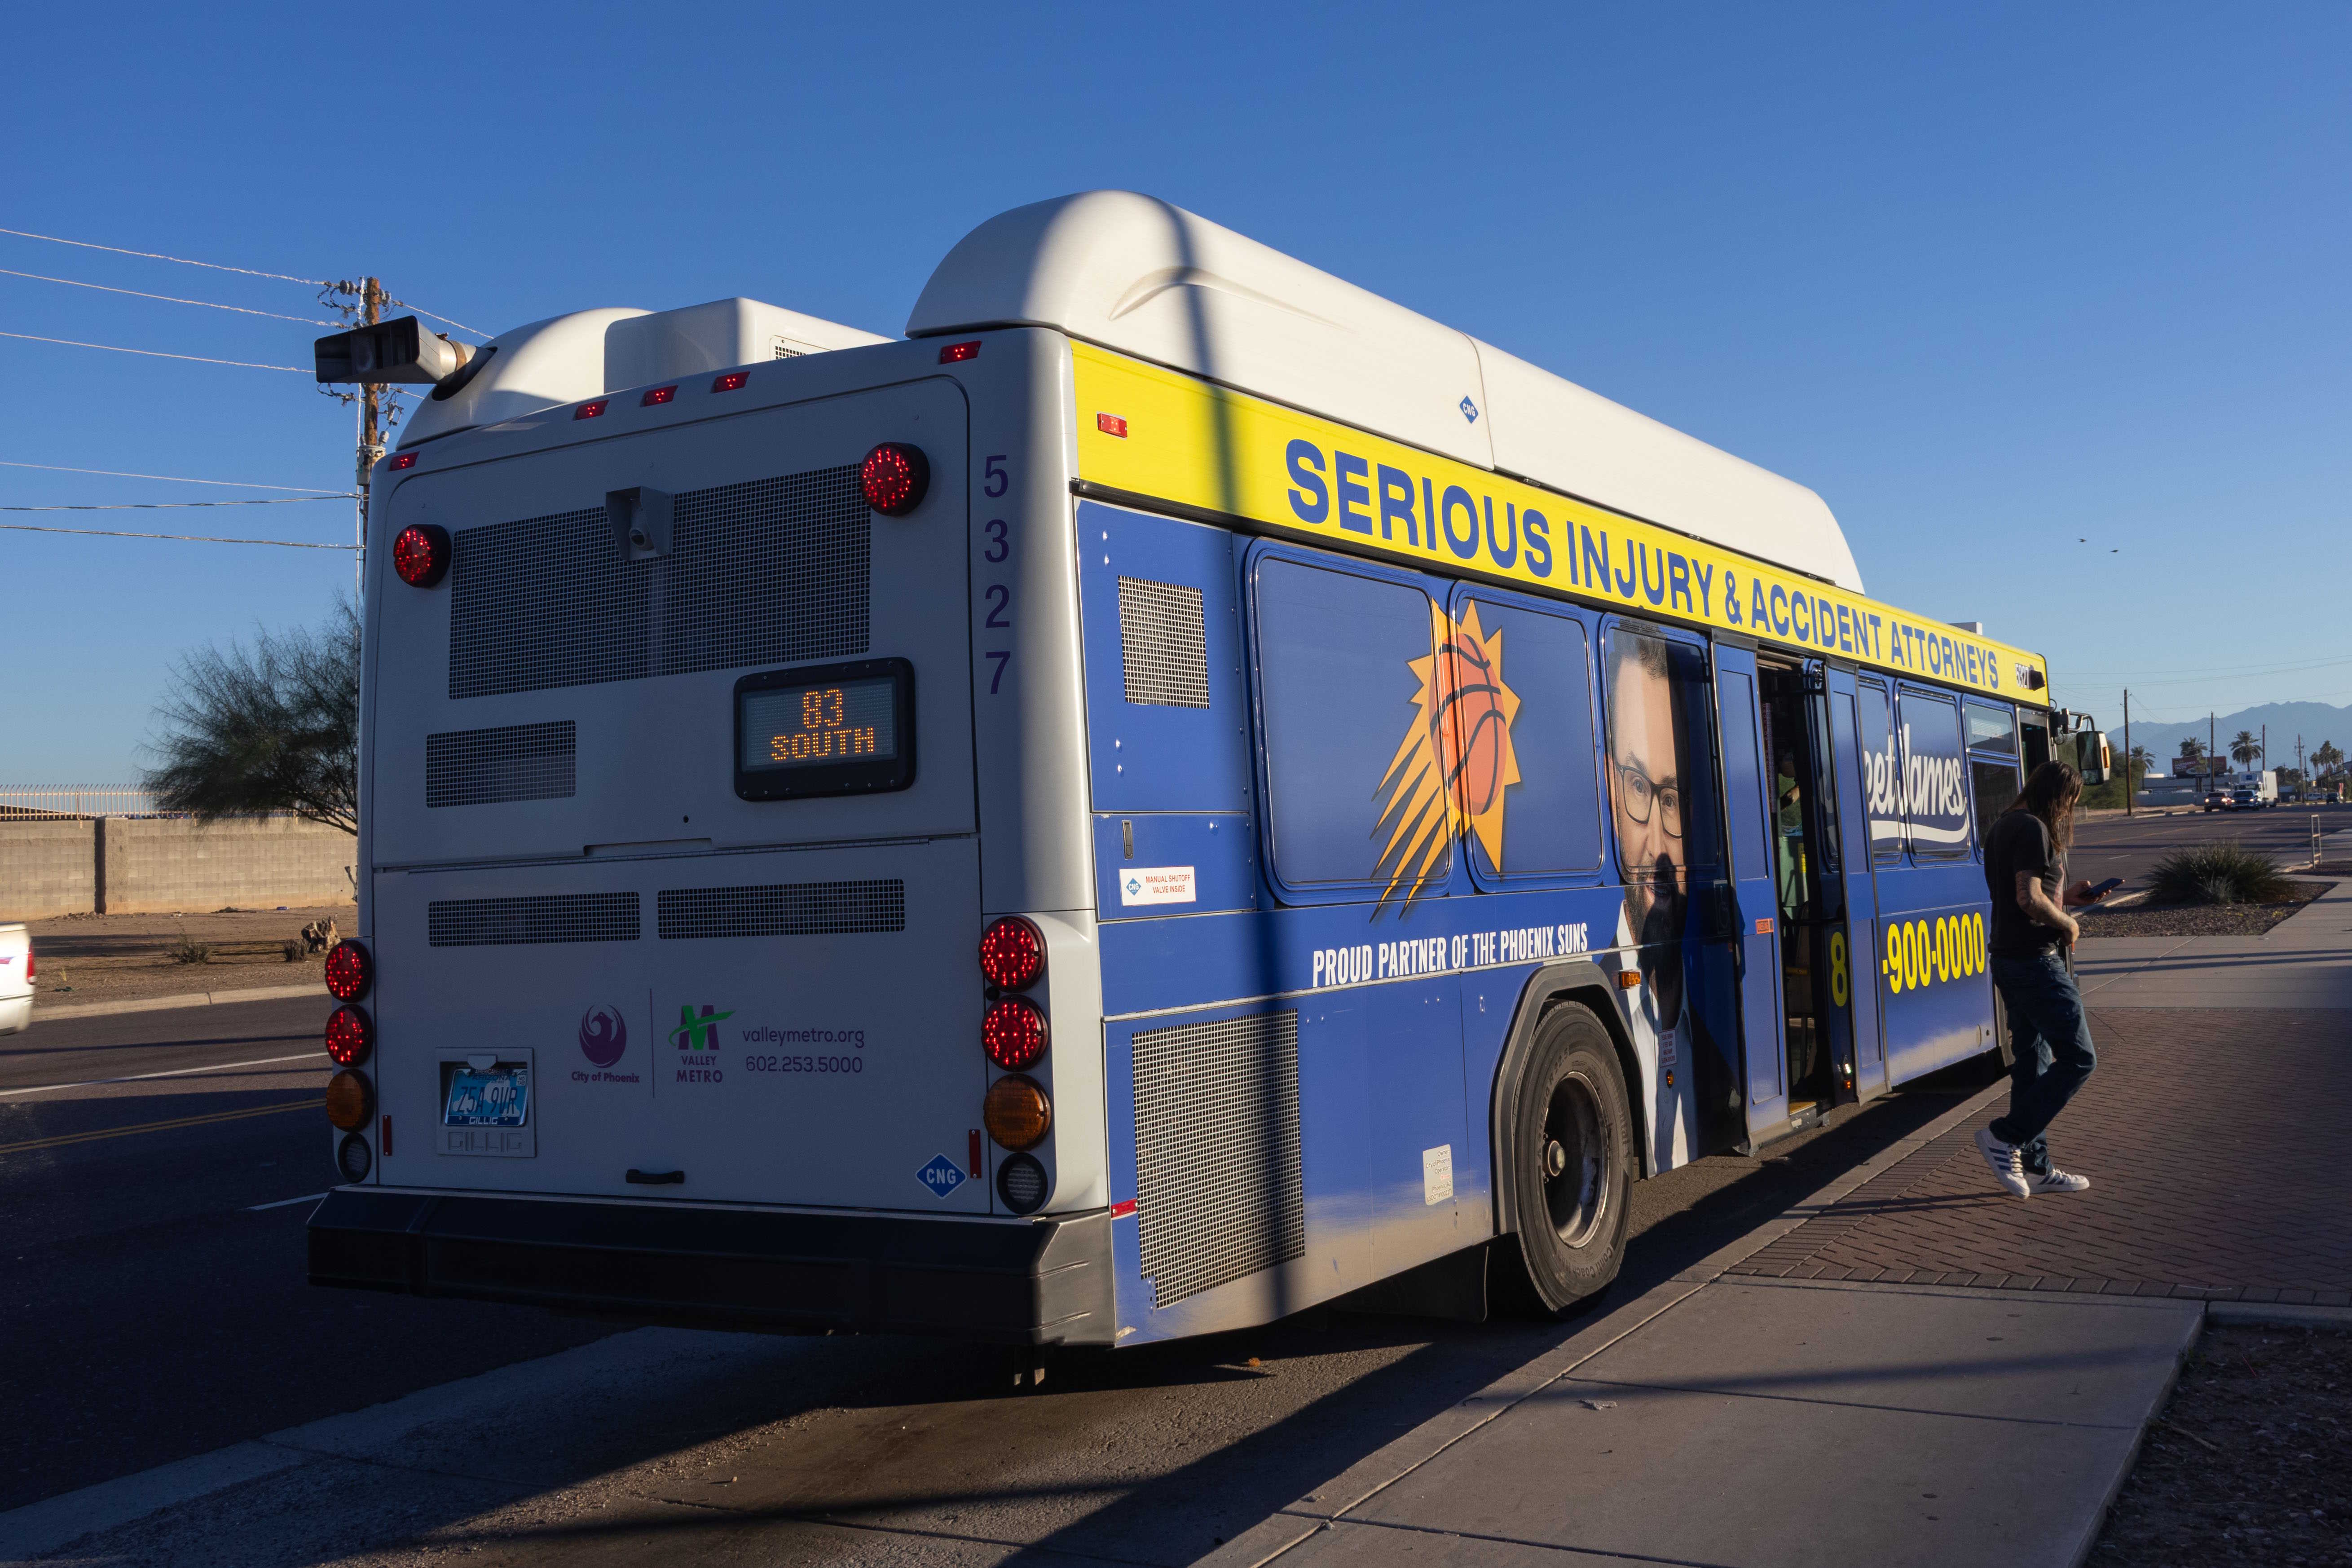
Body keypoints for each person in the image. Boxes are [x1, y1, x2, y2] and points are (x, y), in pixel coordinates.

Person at [1973, 759, 2107, 1198]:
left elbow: (2024, 895)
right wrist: (2068, 924)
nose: (2068, 812)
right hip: (2035, 961)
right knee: (2079, 1058)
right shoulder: (2033, 828)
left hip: (2009, 958)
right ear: (2059, 794)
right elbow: (2028, 900)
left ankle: (2036, 1167)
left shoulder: (2004, 826)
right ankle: (2005, 1135)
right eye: (2069, 802)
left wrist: (2065, 898)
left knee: (2034, 1061)